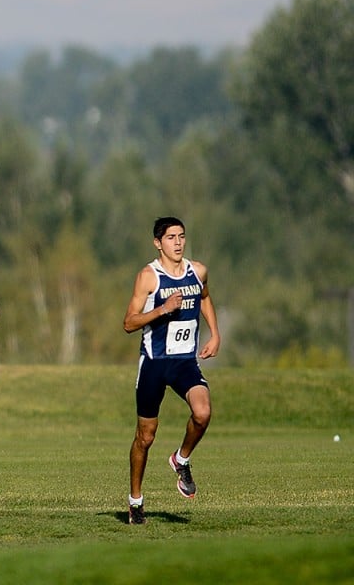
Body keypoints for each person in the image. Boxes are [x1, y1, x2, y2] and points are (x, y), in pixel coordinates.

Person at [122, 216, 220, 525]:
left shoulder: (198, 271)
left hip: (184, 362)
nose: (177, 243)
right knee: (145, 437)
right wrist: (163, 309)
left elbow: (204, 297)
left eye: (181, 236)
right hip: (154, 363)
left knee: (203, 413)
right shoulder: (149, 277)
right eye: (170, 238)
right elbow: (128, 322)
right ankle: (135, 500)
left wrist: (214, 333)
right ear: (157, 243)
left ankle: (181, 459)